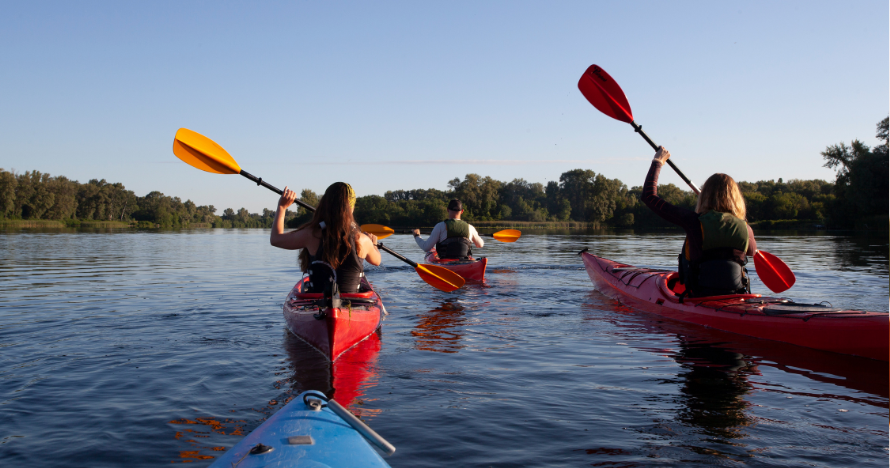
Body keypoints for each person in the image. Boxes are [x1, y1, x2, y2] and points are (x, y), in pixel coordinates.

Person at [642, 147, 757, 297]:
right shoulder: (746, 228)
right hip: (736, 295)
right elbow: (752, 252)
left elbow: (649, 196)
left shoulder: (693, 221)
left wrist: (658, 161)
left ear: (704, 196)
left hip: (700, 296)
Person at [270, 182, 381, 293]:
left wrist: (282, 207)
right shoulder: (362, 240)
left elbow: (275, 239)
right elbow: (377, 261)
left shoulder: (311, 234)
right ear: (351, 208)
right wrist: (373, 244)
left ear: (324, 204)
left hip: (317, 304)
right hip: (353, 305)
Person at [412, 199, 484, 259]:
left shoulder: (440, 226)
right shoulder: (470, 227)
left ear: (447, 210)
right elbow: (480, 245)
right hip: (464, 262)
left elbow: (426, 247)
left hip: (445, 263)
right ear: (462, 211)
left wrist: (417, 235)